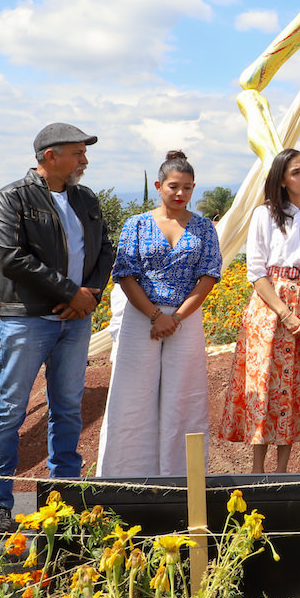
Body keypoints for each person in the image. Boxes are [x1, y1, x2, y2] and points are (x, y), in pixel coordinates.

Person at [0, 123, 113, 533]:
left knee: (68, 407)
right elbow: (12, 258)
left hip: (75, 321)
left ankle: (63, 494)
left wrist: (89, 295)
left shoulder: (85, 198)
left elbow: (105, 248)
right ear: (50, 156)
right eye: (78, 153)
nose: (85, 161)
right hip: (27, 319)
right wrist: (70, 293)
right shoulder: (12, 198)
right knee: (9, 411)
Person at [97, 151, 222, 477]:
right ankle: (121, 482)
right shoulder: (135, 224)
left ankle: (182, 482)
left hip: (186, 320)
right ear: (158, 186)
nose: (180, 194)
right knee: (131, 399)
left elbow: (208, 276)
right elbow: (124, 274)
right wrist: (156, 315)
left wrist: (176, 318)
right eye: (174, 186)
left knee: (185, 401)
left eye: (187, 188)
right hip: (141, 318)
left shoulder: (205, 228)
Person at [218, 149, 300, 472]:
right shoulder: (265, 215)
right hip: (270, 306)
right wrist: (284, 313)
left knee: (298, 383)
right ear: (282, 181)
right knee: (265, 382)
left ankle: (282, 468)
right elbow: (256, 272)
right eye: (297, 172)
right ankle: (257, 468)